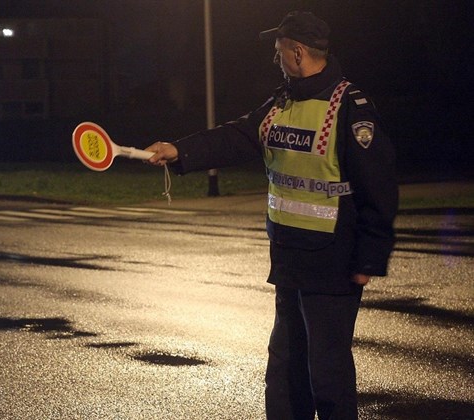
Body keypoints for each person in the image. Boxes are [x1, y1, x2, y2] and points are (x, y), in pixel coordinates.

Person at [144, 11, 398, 420]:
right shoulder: (281, 104)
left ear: (297, 52)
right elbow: (240, 135)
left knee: (328, 375)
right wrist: (180, 151)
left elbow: (379, 188)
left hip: (333, 266)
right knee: (283, 372)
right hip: (289, 260)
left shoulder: (349, 108)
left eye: (278, 49)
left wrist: (369, 259)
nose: (274, 57)